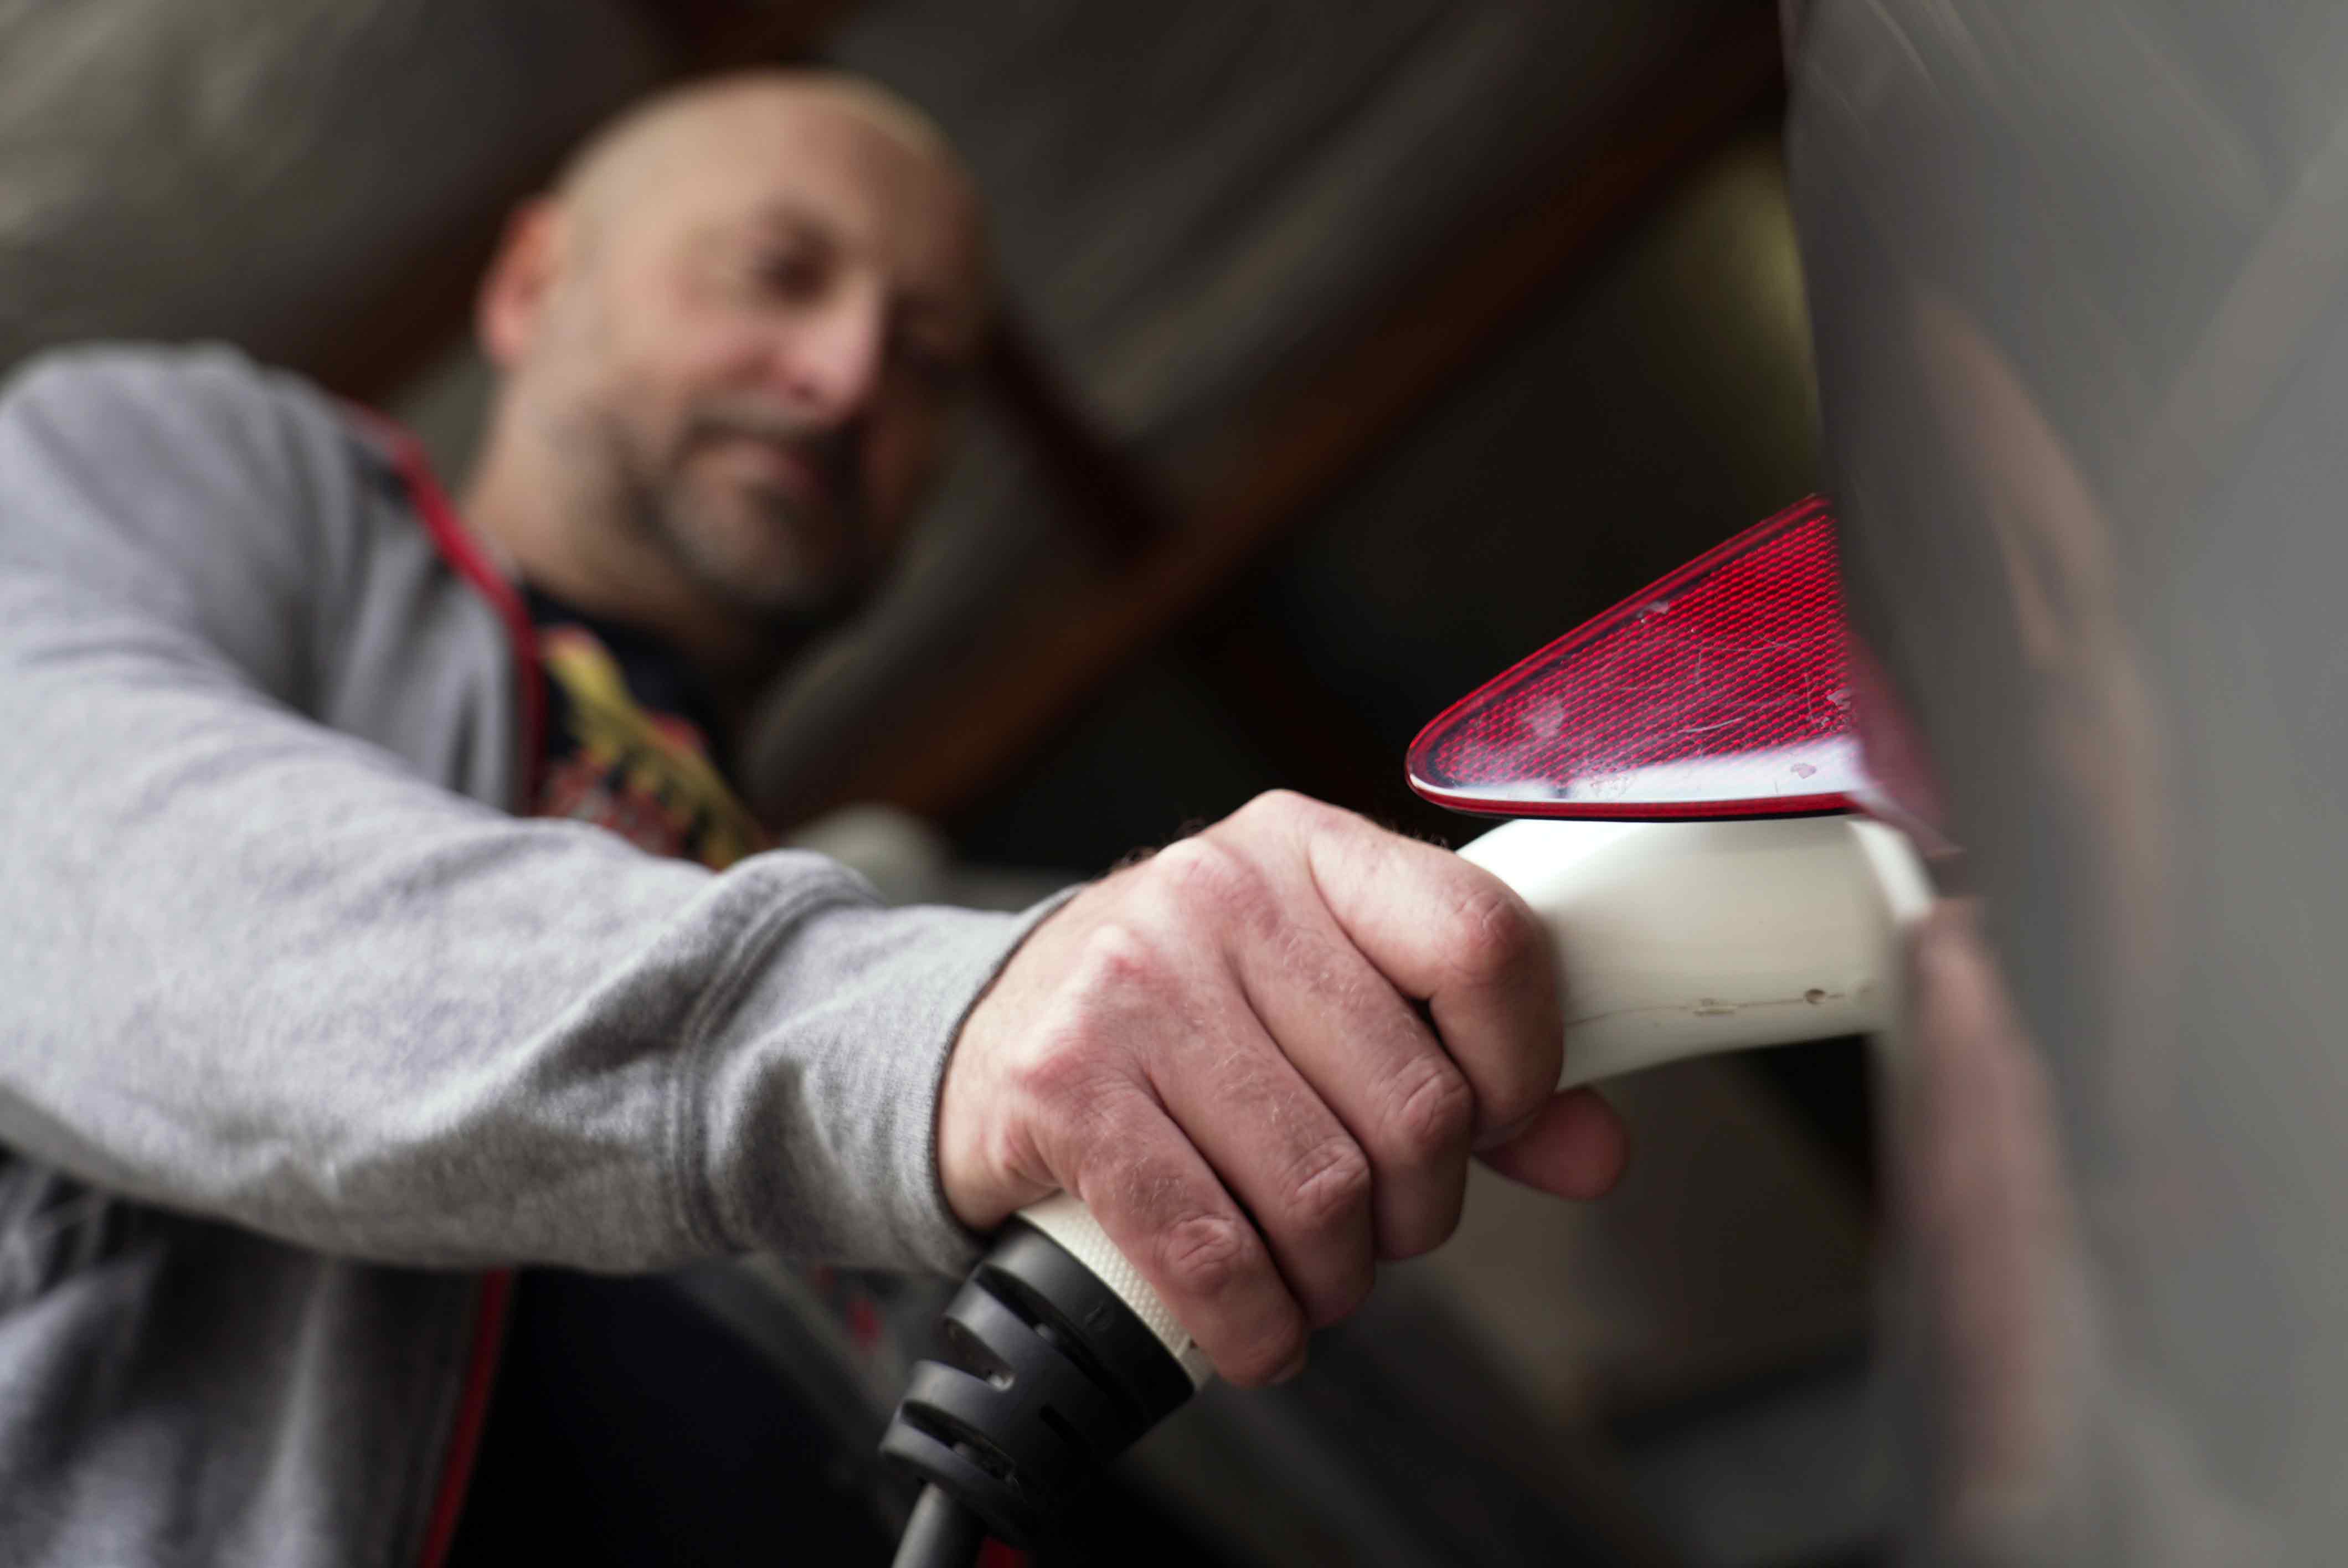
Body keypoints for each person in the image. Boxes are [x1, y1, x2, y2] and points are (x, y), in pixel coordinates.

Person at [0, 70, 1626, 1566]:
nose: (848, 374)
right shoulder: (207, 469)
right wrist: (928, 1032)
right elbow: (79, 856)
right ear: (529, 284)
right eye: (776, 273)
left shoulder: (854, 886)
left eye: (928, 362)